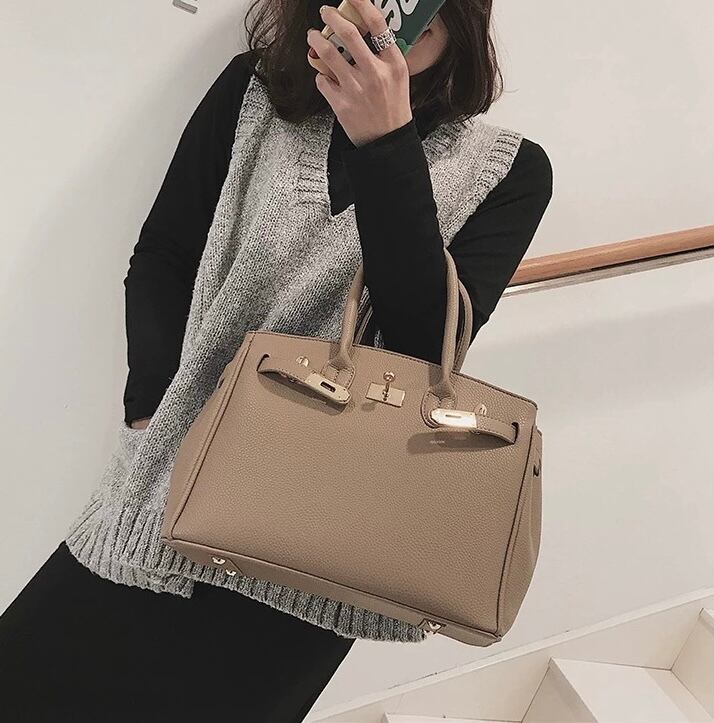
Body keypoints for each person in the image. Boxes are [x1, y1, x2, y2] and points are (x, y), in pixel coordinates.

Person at [0, 0, 552, 720]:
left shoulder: (509, 171)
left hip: (319, 559)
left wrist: (386, 143)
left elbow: (424, 351)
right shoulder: (254, 93)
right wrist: (151, 413)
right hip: (161, 495)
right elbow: (164, 255)